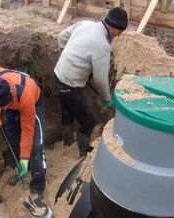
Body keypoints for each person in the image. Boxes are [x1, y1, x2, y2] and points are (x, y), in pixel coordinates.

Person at [53, 7, 128, 157]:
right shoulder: (102, 46)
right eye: (119, 32)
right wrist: (107, 99)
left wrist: (69, 58)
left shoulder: (85, 24)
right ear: (112, 26)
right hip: (69, 84)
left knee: (68, 111)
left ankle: (68, 140)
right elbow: (100, 80)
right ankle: (84, 153)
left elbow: (61, 37)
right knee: (88, 121)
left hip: (58, 75)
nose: (119, 36)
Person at [0, 59, 46, 196]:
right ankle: (21, 170)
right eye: (2, 106)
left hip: (32, 99)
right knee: (12, 138)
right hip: (12, 101)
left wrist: (24, 158)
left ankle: (38, 186)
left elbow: (28, 130)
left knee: (36, 146)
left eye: (5, 105)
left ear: (9, 95)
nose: (4, 108)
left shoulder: (26, 97)